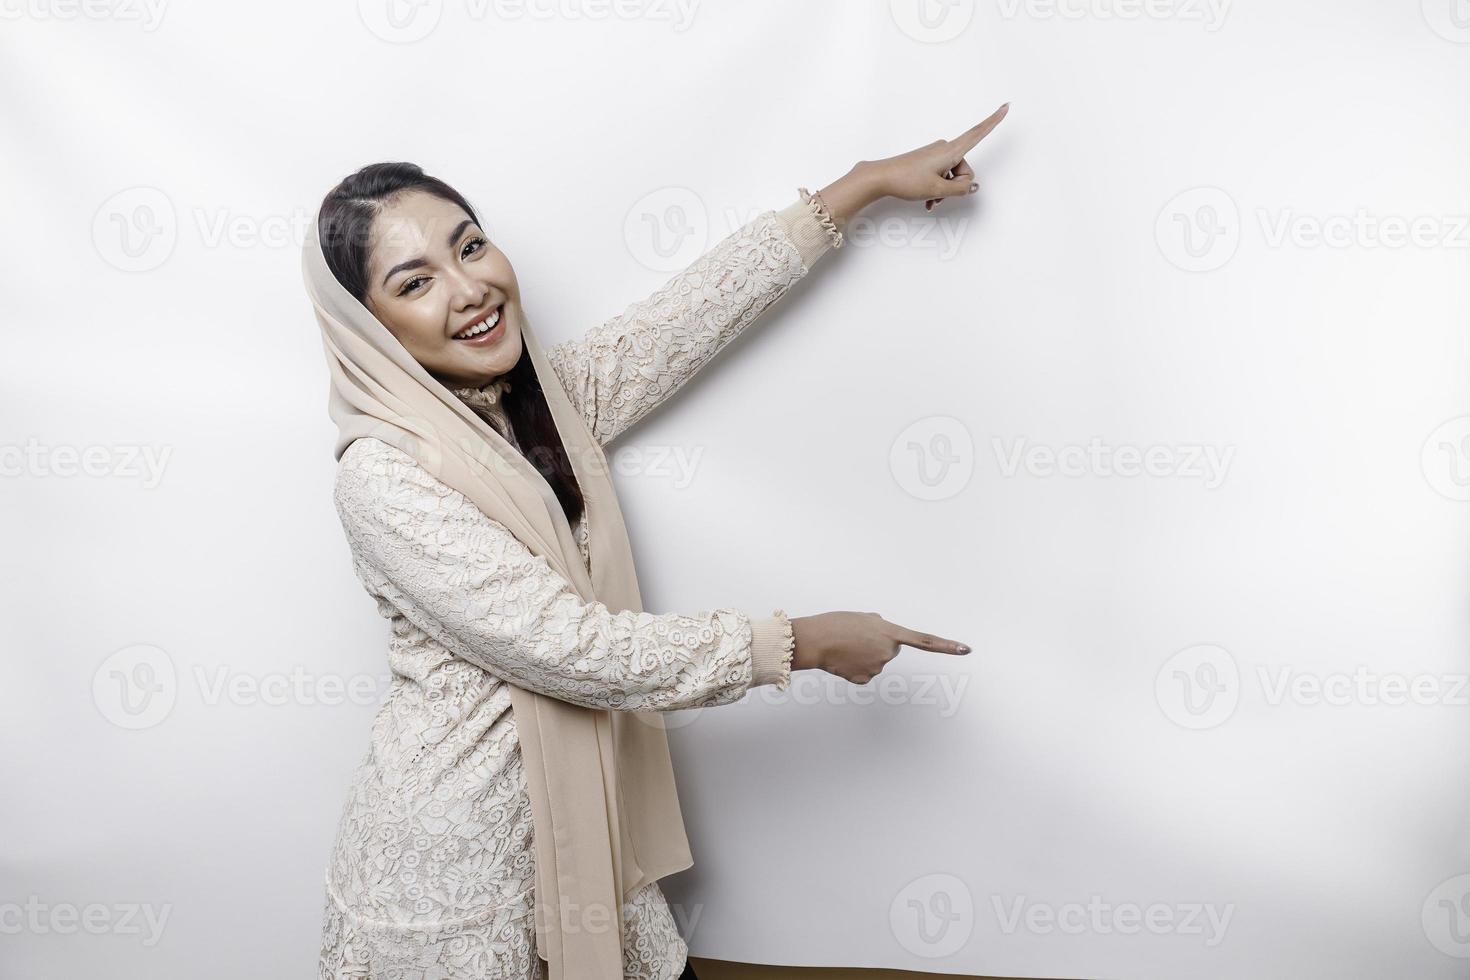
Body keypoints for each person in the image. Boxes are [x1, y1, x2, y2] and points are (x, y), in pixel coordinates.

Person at [306, 103, 1007, 980]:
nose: (469, 288)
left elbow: (681, 318)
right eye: (414, 283)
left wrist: (859, 186)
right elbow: (573, 649)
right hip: (455, 886)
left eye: (470, 247)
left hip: (585, 839)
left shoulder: (540, 407)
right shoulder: (382, 476)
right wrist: (804, 644)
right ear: (368, 328)